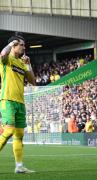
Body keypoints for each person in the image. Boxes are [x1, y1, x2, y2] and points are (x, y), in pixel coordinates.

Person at [0, 34, 36, 173]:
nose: (24, 47)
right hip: (7, 100)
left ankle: (19, 166)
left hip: (20, 103)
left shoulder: (22, 63)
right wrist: (10, 44)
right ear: (14, 45)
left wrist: (28, 65)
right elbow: (2, 54)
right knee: (8, 130)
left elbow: (33, 82)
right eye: (21, 44)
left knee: (19, 135)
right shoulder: (6, 59)